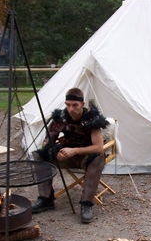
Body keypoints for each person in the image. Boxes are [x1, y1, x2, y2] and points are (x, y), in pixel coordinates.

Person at [32, 87, 109, 223]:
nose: (71, 109)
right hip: (65, 155)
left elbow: (98, 147)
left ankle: (86, 204)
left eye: (75, 105)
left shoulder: (91, 119)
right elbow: (47, 142)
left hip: (85, 157)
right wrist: (56, 151)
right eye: (68, 105)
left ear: (82, 105)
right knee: (39, 155)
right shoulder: (60, 118)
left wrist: (74, 151)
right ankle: (46, 199)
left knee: (98, 157)